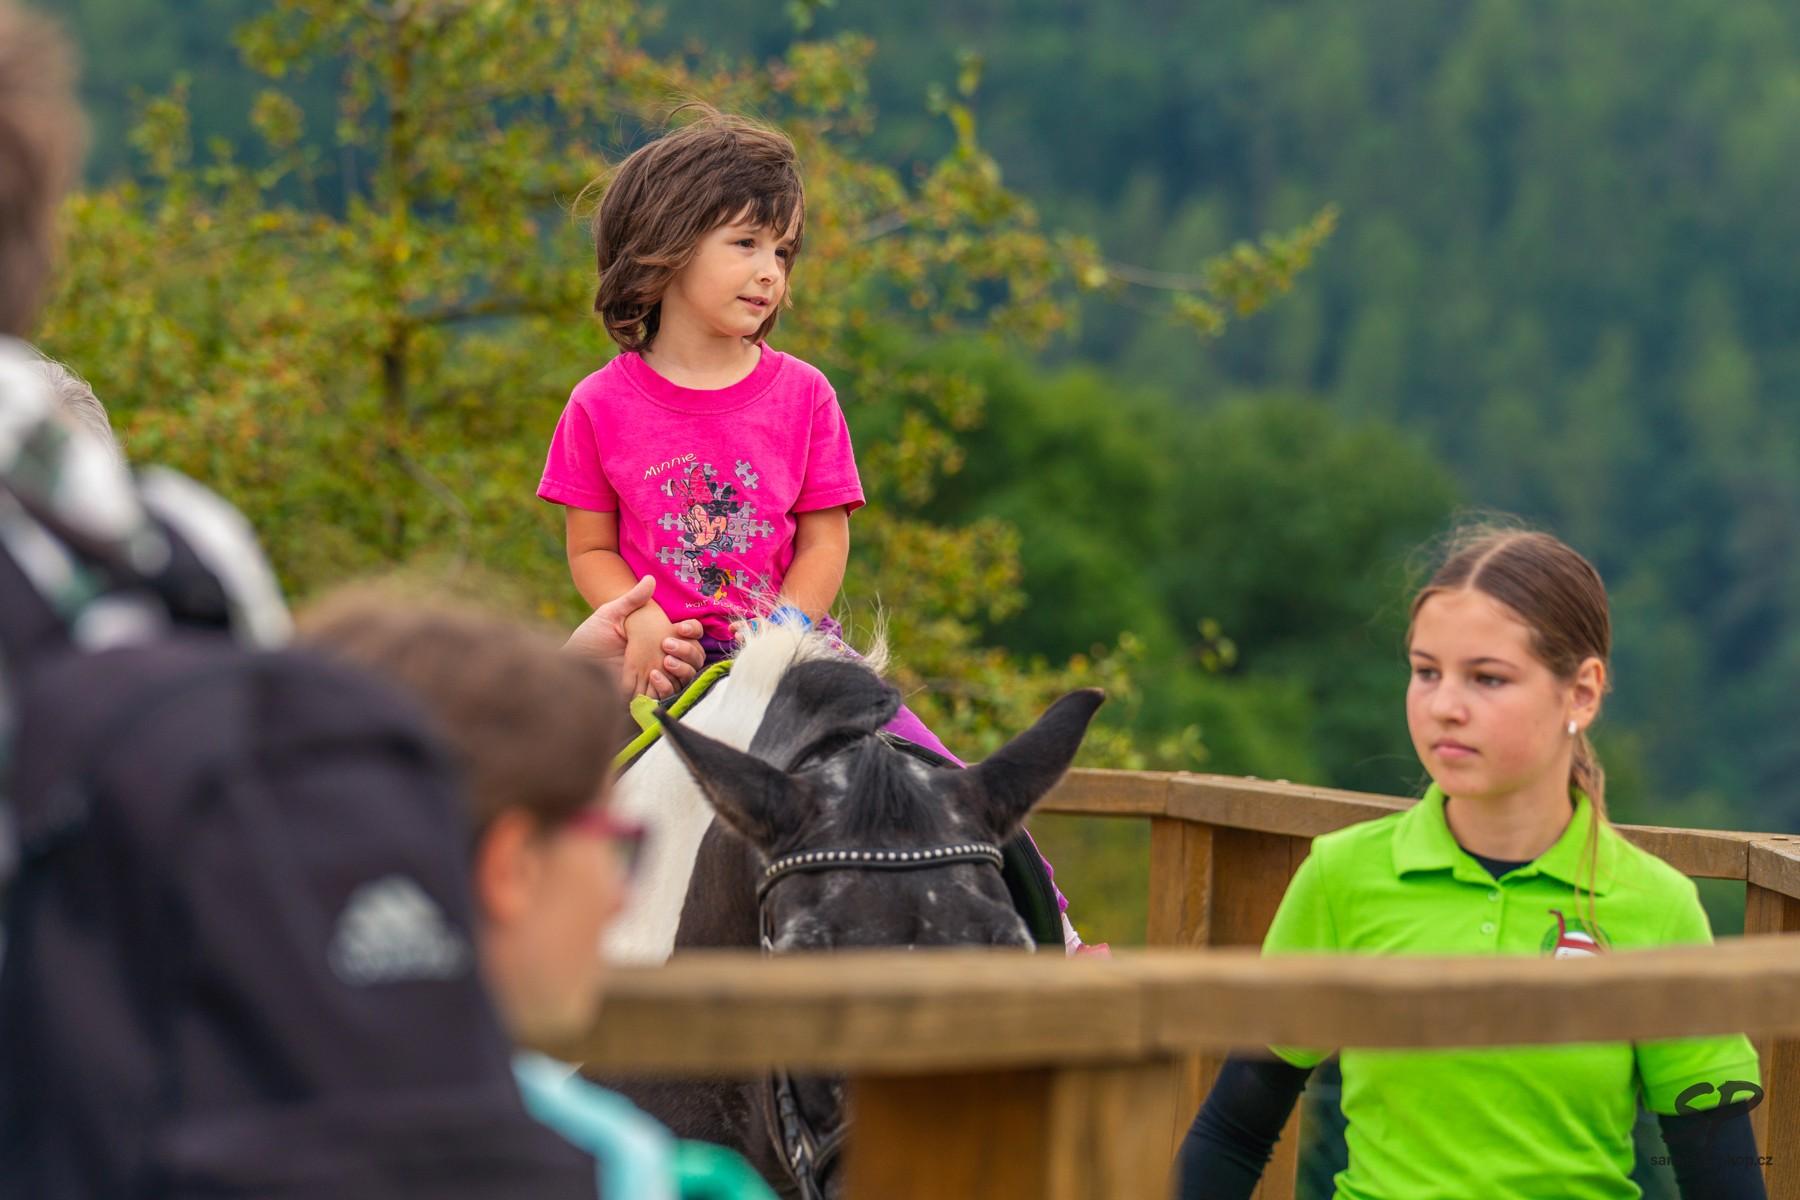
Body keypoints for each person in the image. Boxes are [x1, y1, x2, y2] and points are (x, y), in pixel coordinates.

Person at [538, 107, 1101, 952]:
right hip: (662, 667)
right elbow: (589, 547)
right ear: (664, 246)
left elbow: (824, 540)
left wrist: (785, 632)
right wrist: (640, 616)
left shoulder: (803, 395)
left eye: (784, 252)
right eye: (746, 244)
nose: (771, 273)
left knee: (957, 791)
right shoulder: (598, 404)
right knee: (560, 810)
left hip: (798, 661)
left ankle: (1060, 933)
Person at [1175, 526, 1765, 1200]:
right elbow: (1233, 1133)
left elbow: (1723, 1179)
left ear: (1581, 692)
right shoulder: (1341, 876)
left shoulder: (1656, 905)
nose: (1444, 707)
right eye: (1426, 672)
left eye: (1487, 678)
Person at [299, 590, 775, 1200]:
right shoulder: (623, 1171)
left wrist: (559, 696)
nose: (620, 898)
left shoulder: (221, 1108)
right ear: (513, 869)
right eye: (618, 844)